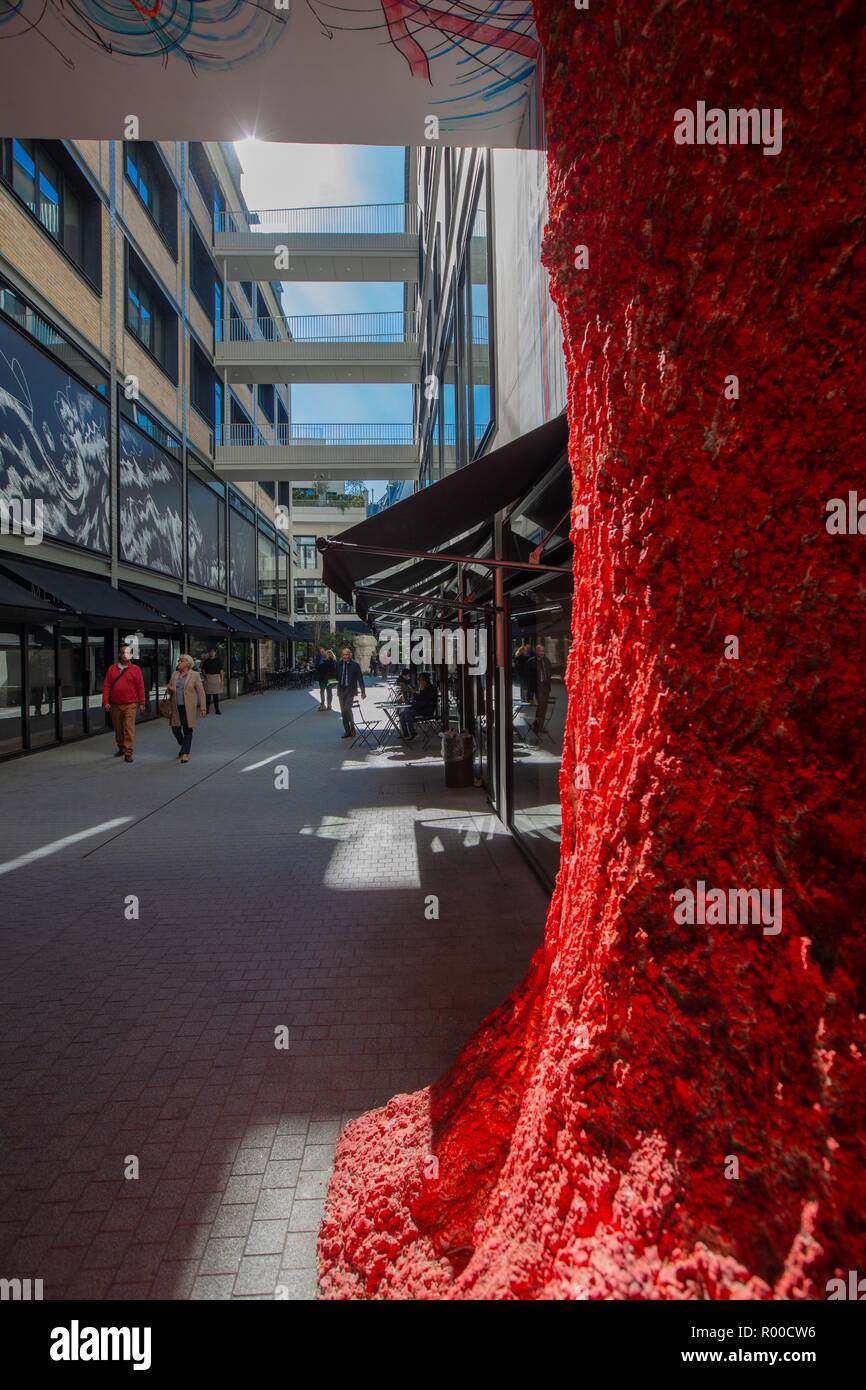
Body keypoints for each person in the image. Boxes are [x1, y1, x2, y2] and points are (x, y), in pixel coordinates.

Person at [102, 642, 146, 763]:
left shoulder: (135, 669)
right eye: (122, 653)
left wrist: (142, 703)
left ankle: (128, 752)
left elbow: (140, 687)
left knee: (128, 728)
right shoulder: (112, 669)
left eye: (127, 653)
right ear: (119, 655)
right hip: (115, 704)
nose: (125, 655)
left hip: (130, 704)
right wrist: (106, 701)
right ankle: (121, 747)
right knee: (118, 729)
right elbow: (106, 686)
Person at [166, 653, 207, 763]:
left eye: (181, 661)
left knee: (187, 729)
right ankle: (184, 744)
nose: (179, 662)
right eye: (179, 661)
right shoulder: (175, 674)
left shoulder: (195, 675)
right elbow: (168, 687)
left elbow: (201, 692)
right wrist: (170, 688)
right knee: (175, 728)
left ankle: (185, 753)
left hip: (188, 707)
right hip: (175, 706)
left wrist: (203, 707)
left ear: (188, 664)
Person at [335, 645, 366, 738]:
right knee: (343, 712)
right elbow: (336, 676)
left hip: (350, 690)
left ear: (350, 655)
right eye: (343, 655)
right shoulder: (338, 664)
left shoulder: (355, 665)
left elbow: (360, 679)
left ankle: (352, 727)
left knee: (347, 709)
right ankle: (347, 731)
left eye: (346, 655)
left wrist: (363, 691)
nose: (345, 656)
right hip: (341, 690)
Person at [399, 672, 437, 741]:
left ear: (426, 680)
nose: (419, 681)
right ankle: (405, 734)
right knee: (402, 712)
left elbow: (425, 703)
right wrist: (414, 693)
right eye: (418, 680)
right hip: (421, 708)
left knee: (408, 713)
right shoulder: (423, 687)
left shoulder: (432, 689)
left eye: (420, 680)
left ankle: (413, 733)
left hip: (427, 710)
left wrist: (413, 704)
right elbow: (419, 699)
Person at [527, 643, 552, 735]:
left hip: (545, 687)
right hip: (537, 687)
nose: (542, 652)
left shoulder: (546, 660)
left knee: (543, 708)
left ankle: (538, 726)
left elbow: (550, 671)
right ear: (536, 651)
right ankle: (537, 727)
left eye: (543, 651)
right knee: (541, 706)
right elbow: (528, 677)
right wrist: (529, 692)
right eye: (540, 651)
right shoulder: (531, 661)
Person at [200, 646, 225, 715]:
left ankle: (217, 710)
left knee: (215, 696)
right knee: (207, 696)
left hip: (216, 678)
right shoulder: (206, 661)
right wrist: (205, 676)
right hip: (208, 679)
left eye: (213, 652)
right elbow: (202, 669)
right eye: (210, 652)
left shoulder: (218, 661)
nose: (211, 653)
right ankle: (207, 710)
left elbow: (221, 671)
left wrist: (222, 680)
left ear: (215, 653)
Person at [313, 645, 337, 711]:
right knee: (329, 692)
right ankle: (329, 705)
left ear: (328, 655)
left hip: (324, 679)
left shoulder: (325, 663)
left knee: (322, 692)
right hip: (332, 680)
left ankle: (323, 705)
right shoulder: (335, 662)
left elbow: (319, 669)